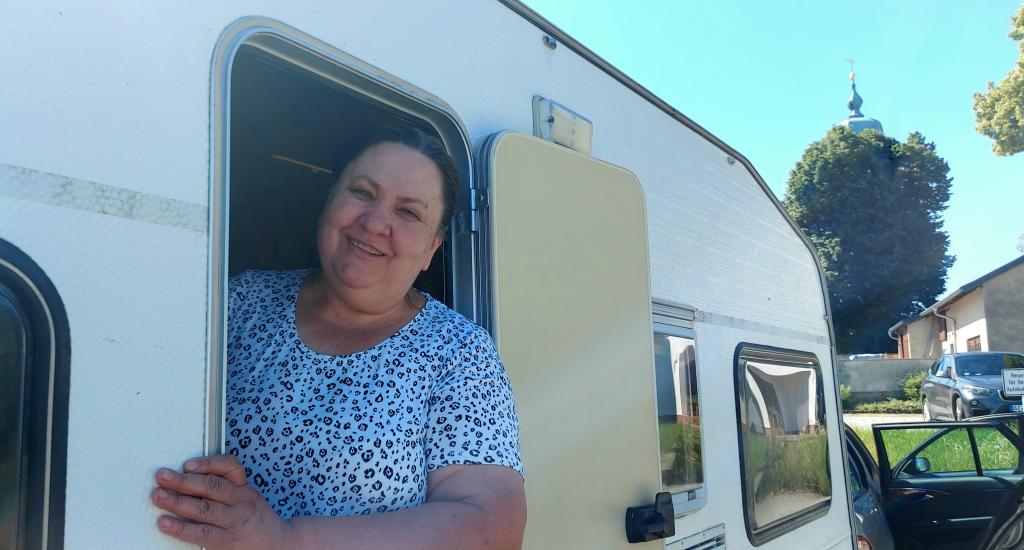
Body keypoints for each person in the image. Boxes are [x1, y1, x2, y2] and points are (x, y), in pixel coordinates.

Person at [151, 126, 526, 549]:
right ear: (329, 199)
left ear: (431, 249)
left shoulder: (459, 352)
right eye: (363, 193)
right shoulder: (239, 301)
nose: (374, 222)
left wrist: (283, 540)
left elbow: (494, 524)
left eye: (408, 213)